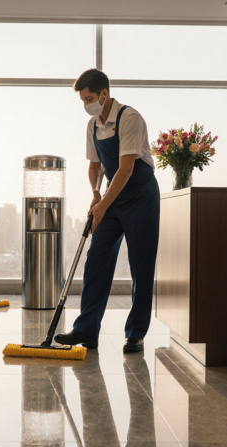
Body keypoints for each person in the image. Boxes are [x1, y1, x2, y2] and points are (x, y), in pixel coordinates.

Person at [54, 69, 160, 353]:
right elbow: (94, 166)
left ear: (104, 94)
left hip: (139, 196)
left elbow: (125, 168)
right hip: (112, 198)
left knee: (141, 264)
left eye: (89, 98)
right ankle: (86, 330)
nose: (86, 104)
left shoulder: (130, 118)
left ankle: (135, 333)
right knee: (97, 259)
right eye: (82, 100)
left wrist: (104, 203)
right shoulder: (92, 125)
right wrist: (95, 194)